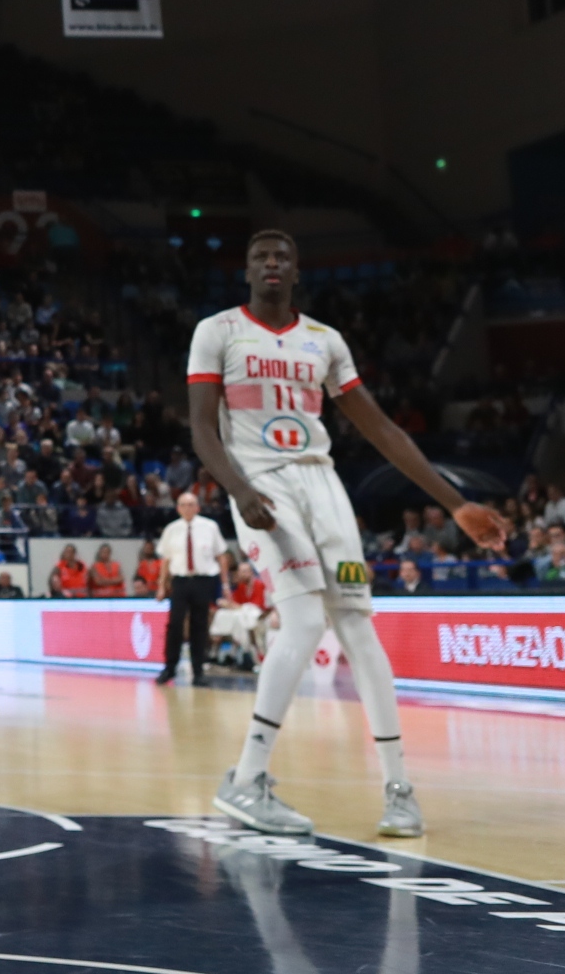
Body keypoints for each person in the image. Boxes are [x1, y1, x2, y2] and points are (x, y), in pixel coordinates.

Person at [189, 229, 507, 839]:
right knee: (305, 620)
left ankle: (399, 789)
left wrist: (457, 502)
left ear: (298, 271)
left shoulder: (324, 342)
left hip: (323, 487)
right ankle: (247, 777)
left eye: (283, 256)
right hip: (262, 484)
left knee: (359, 626)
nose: (273, 263)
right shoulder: (217, 331)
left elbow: (385, 432)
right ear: (247, 271)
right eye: (261, 257)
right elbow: (203, 428)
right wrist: (239, 489)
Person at [154, 490, 225, 686]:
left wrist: (225, 584)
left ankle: (198, 671)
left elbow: (221, 555)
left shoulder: (210, 527)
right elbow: (166, 561)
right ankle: (169, 668)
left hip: (204, 580)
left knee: (200, 626)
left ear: (198, 507)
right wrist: (162, 585)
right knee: (175, 624)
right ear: (177, 508)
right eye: (183, 505)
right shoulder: (171, 529)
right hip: (180, 581)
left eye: (191, 504)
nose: (188, 508)